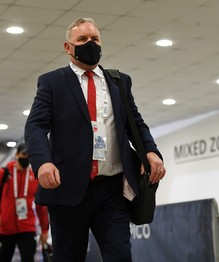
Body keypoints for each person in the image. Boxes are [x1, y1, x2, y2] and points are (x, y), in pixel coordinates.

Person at [24, 17, 166, 262]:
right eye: (82, 39)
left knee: (120, 256)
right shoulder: (52, 82)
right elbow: (35, 126)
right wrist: (42, 163)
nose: (90, 43)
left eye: (95, 39)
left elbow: (135, 123)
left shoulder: (120, 82)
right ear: (68, 47)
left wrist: (151, 151)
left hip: (111, 190)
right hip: (67, 188)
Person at [0, 143, 49, 262]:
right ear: (16, 155)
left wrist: (44, 230)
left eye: (29, 155)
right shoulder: (4, 173)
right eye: (24, 154)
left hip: (27, 228)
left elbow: (41, 207)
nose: (26, 157)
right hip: (5, 229)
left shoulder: (34, 177)